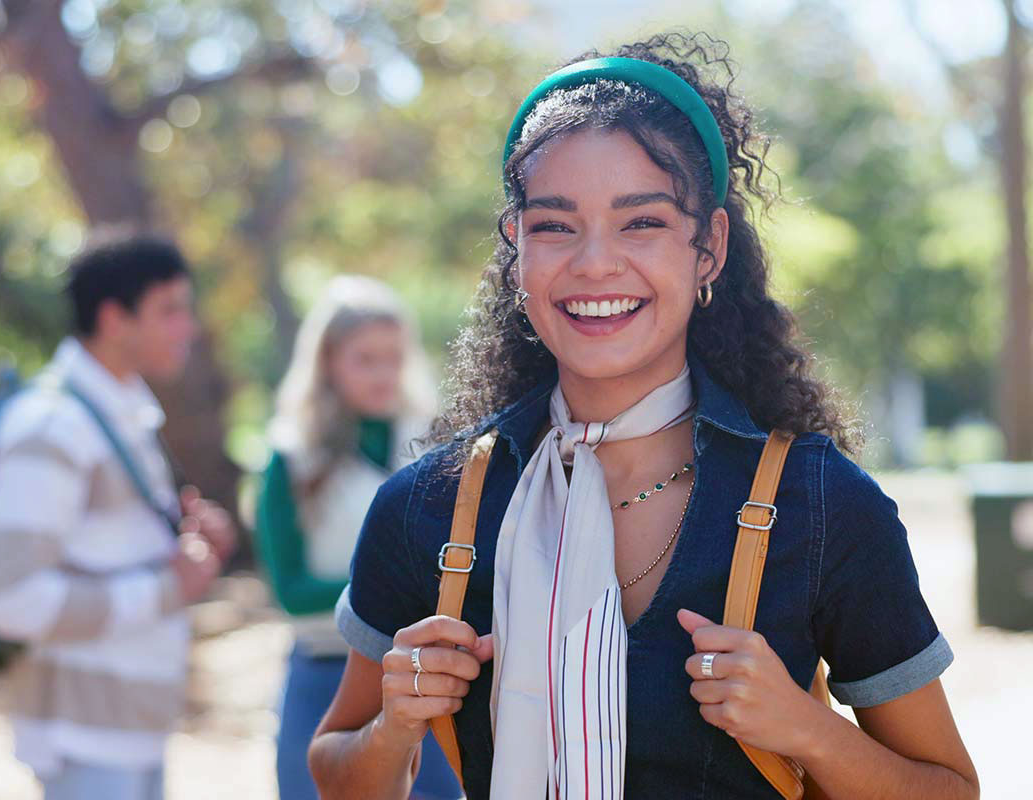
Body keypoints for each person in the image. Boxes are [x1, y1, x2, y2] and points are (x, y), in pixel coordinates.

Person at [309, 33, 979, 800]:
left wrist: (809, 729)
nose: (595, 263)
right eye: (555, 224)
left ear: (710, 248)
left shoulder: (822, 505)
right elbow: (336, 769)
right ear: (514, 248)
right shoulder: (428, 510)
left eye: (643, 222)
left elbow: (951, 790)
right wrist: (395, 727)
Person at [0, 233, 236, 800]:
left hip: (127, 730)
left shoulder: (121, 413)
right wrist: (168, 587)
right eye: (169, 310)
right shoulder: (50, 426)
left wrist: (190, 547)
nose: (187, 328)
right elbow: (13, 600)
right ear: (114, 318)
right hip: (84, 738)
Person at [256, 275, 461, 800]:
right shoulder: (290, 457)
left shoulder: (435, 448)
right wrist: (394, 594)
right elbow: (290, 593)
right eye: (364, 358)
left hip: (424, 682)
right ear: (327, 361)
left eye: (394, 357)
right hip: (325, 676)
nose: (383, 373)